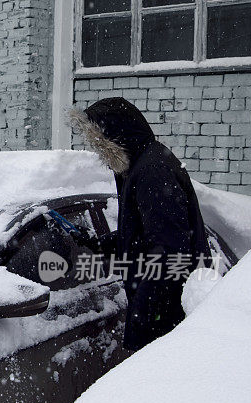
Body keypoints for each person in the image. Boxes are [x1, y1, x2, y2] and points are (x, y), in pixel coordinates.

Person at [69, 97, 210, 351]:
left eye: (100, 142)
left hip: (167, 312)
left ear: (117, 137)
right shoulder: (142, 163)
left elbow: (169, 252)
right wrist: (101, 244)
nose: (97, 150)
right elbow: (146, 235)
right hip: (164, 306)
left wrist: (143, 315)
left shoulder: (153, 171)